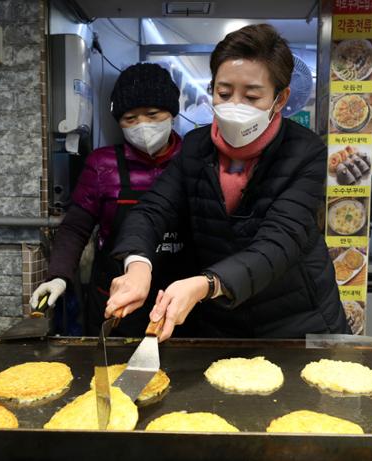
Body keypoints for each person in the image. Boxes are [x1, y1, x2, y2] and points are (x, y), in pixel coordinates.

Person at [106, 24, 349, 341]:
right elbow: (152, 209)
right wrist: (138, 264)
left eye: (251, 96)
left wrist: (205, 283)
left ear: (280, 98)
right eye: (223, 93)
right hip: (222, 321)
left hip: (297, 322)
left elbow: (279, 243)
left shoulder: (305, 152)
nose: (235, 105)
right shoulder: (195, 147)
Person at [31, 63, 192, 336]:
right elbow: (75, 227)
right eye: (130, 118)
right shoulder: (102, 164)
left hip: (179, 298)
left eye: (152, 115)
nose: (142, 125)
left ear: (171, 113)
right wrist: (58, 274)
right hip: (116, 300)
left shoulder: (194, 158)